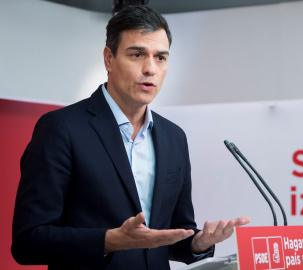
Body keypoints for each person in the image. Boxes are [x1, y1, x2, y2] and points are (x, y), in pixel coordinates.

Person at [11, 5, 249, 270]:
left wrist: (197, 243)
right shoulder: (62, 128)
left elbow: (170, 235)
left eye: (161, 58)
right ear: (109, 59)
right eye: (137, 54)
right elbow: (28, 241)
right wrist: (109, 240)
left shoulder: (174, 137)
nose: (150, 69)